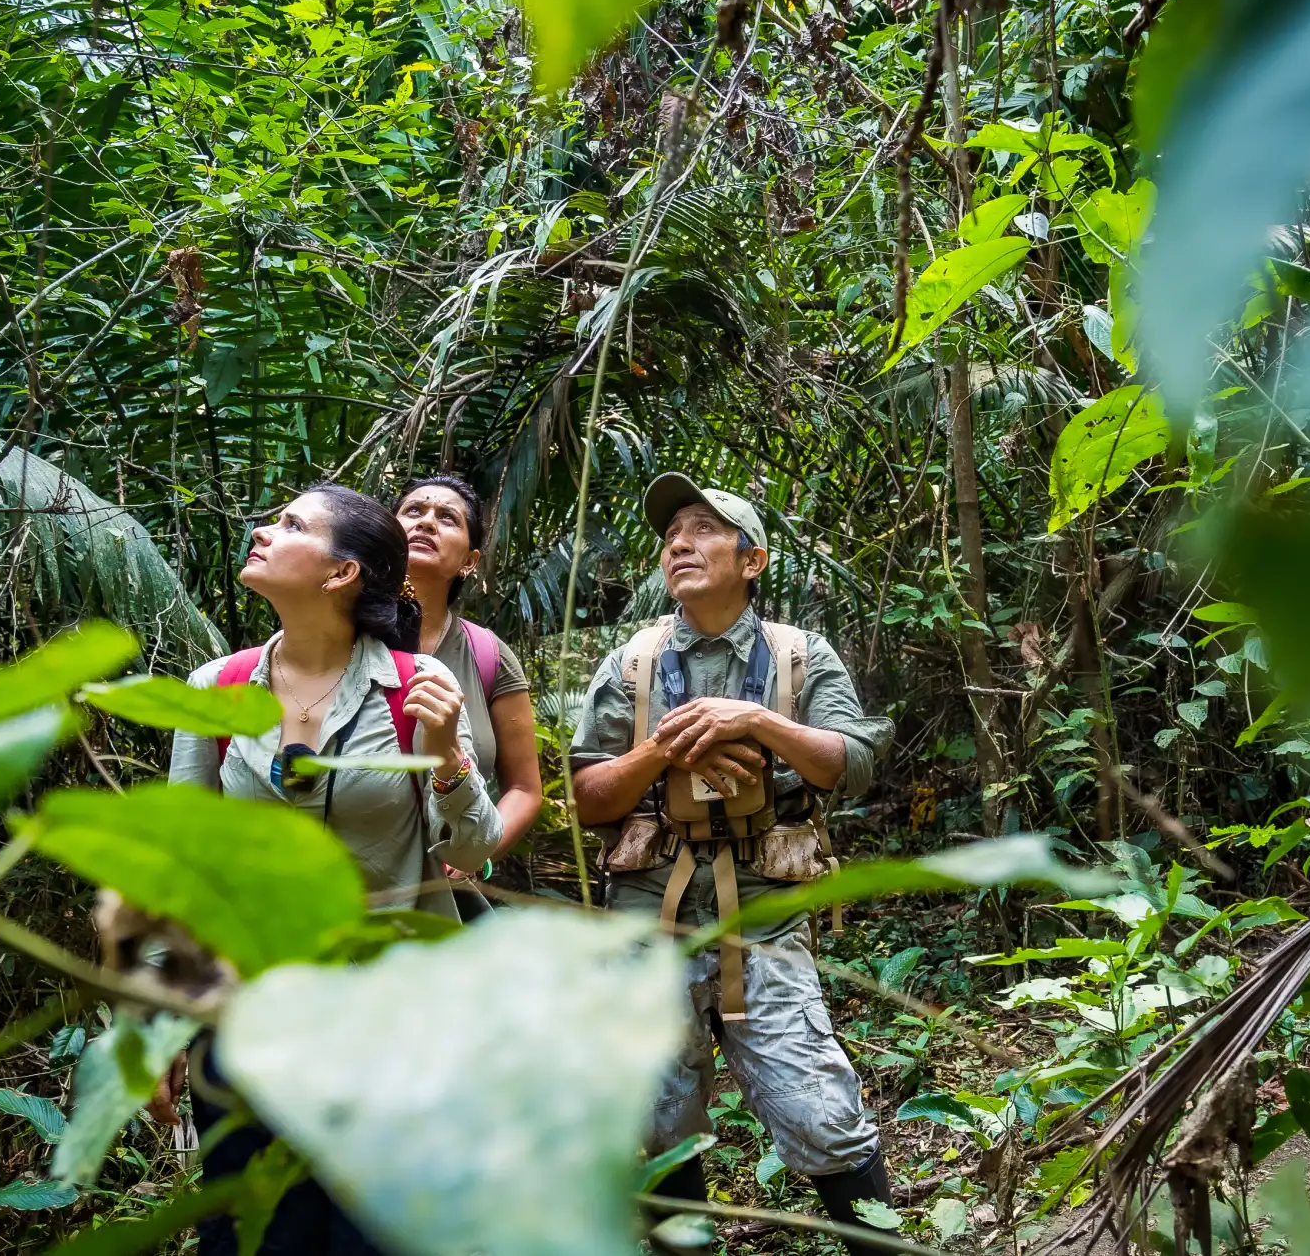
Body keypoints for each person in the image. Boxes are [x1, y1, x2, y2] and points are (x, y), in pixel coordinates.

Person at [168, 480, 502, 1255]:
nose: (261, 528)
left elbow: (470, 850)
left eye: (289, 523)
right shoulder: (214, 690)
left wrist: (449, 752)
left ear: (340, 572)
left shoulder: (412, 692)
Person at [570, 473, 896, 1251]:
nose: (678, 542)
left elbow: (851, 761)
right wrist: (666, 745)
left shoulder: (799, 655)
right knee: (653, 1116)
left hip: (765, 911)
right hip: (647, 911)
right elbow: (589, 796)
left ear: (754, 561)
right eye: (671, 534)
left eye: (703, 529)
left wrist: (754, 719)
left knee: (817, 1105)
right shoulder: (632, 663)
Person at [394, 475, 544, 911]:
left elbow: (524, 788)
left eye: (446, 518)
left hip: (450, 891)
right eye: (413, 512)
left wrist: (476, 854)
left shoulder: (488, 655)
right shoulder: (335, 638)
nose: (426, 523)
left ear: (470, 561)